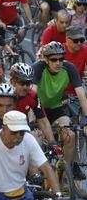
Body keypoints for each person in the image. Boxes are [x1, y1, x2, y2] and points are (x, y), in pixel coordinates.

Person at [33, 41, 87, 180]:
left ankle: (64, 173)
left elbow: (81, 95)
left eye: (61, 59)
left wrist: (86, 120)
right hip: (39, 109)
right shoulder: (38, 68)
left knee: (71, 135)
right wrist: (32, 122)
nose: (58, 63)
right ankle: (37, 175)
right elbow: (31, 96)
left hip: (56, 109)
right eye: (53, 59)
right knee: (36, 139)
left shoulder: (69, 68)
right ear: (46, 60)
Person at [9, 63, 56, 145]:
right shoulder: (4, 96)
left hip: (21, 128)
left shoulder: (33, 96)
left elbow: (43, 121)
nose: (25, 87)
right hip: (4, 129)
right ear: (12, 82)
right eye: (22, 83)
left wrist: (53, 144)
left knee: (37, 137)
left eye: (28, 83)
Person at [63, 28, 87, 93]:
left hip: (77, 89)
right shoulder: (60, 51)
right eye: (76, 40)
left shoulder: (85, 49)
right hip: (60, 91)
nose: (79, 43)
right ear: (67, 40)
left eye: (81, 40)